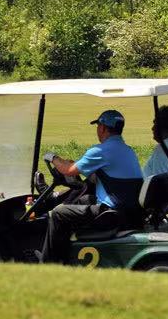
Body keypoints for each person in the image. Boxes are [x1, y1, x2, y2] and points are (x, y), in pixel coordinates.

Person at [41, 109, 143, 263]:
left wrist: (52, 157)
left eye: (98, 126)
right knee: (84, 199)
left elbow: (68, 170)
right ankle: (68, 253)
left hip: (111, 215)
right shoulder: (127, 151)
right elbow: (76, 167)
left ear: (102, 128)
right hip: (129, 213)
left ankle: (48, 264)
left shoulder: (102, 151)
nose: (97, 130)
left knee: (58, 213)